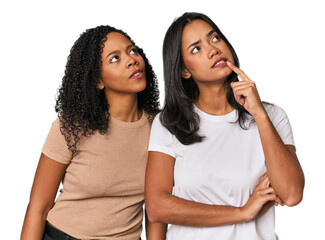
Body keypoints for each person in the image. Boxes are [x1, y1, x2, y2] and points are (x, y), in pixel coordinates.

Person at [145, 12, 304, 240]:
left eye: (215, 38)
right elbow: (157, 207)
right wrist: (242, 212)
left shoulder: (272, 116)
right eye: (196, 48)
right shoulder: (169, 123)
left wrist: (258, 114)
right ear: (184, 70)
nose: (213, 49)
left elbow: (291, 194)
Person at [20, 25, 160, 240]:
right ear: (97, 80)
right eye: (115, 58)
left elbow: (156, 208)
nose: (131, 60)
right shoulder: (71, 127)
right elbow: (38, 207)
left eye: (132, 50)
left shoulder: (160, 129)